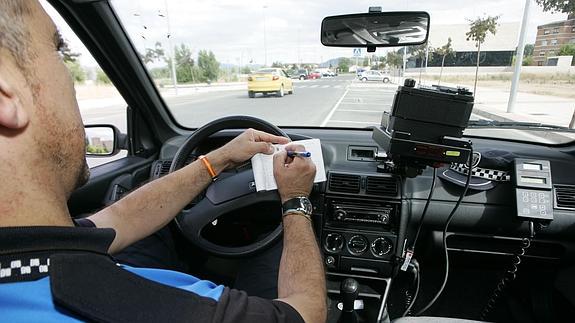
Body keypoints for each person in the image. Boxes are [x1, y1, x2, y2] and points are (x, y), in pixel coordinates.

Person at [0, 1, 326, 322]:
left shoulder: (30, 247)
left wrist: (218, 160)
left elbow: (117, 219)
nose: (70, 76)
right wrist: (295, 199)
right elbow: (306, 312)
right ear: (5, 100)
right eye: (57, 51)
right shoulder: (153, 304)